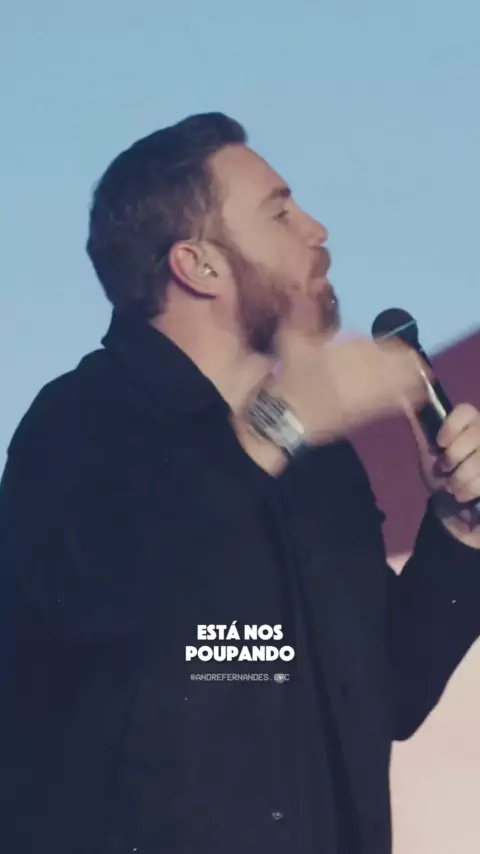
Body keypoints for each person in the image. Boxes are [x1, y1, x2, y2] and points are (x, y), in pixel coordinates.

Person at [1, 113, 480, 854]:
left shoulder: (319, 462)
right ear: (199, 265)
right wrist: (276, 428)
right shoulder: (80, 425)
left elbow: (384, 695)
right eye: (280, 213)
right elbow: (123, 630)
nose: (317, 229)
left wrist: (456, 529)